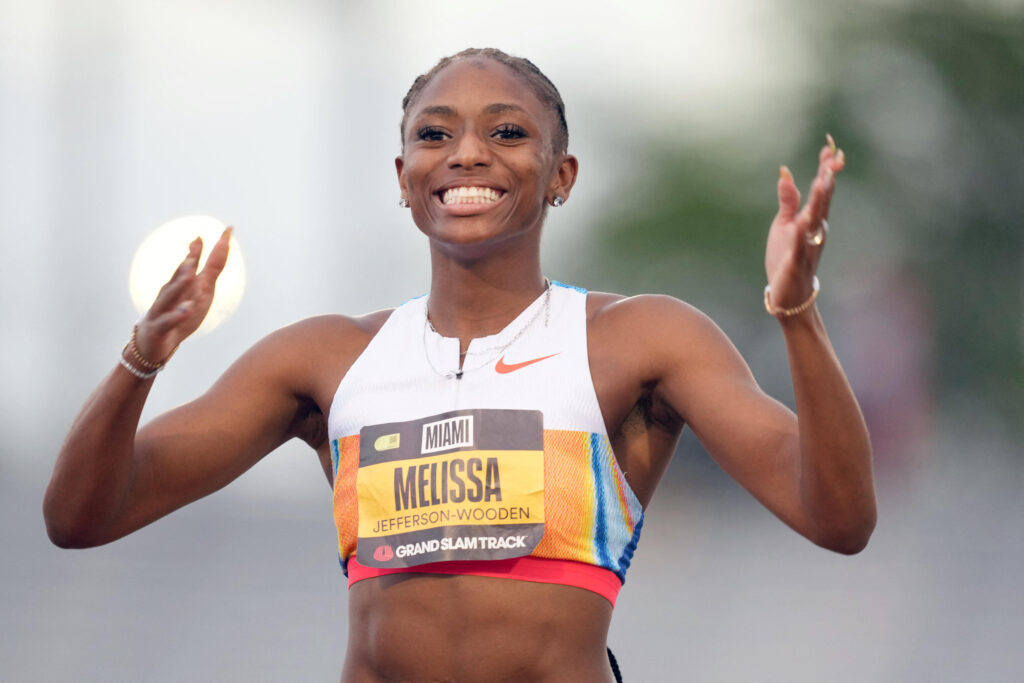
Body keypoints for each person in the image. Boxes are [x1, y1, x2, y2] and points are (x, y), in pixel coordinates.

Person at [44, 48, 876, 682]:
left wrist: (796, 313)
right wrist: (140, 359)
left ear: (561, 176)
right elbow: (81, 515)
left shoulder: (638, 340)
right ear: (403, 177)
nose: (467, 153)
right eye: (433, 134)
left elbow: (838, 519)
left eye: (507, 132)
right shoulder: (326, 358)